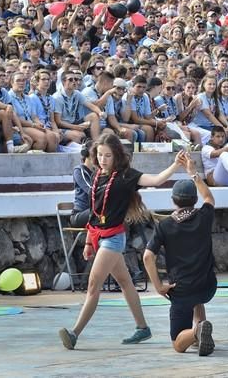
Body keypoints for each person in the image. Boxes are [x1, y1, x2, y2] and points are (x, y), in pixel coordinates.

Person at [58, 135, 188, 350]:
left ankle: (74, 333)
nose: (103, 159)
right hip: (100, 235)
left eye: (108, 155)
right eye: (100, 155)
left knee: (93, 285)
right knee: (125, 282)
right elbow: (96, 215)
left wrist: (175, 164)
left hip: (114, 238)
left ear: (117, 155)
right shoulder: (98, 176)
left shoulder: (127, 176)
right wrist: (90, 241)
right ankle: (142, 327)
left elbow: (155, 180)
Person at [143, 154, 217, 356]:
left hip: (182, 290)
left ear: (173, 200)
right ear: (194, 199)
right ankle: (201, 328)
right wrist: (193, 173)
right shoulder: (204, 216)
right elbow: (209, 197)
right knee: (197, 298)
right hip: (207, 286)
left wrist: (159, 287)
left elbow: (148, 257)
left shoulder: (164, 226)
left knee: (177, 343)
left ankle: (196, 332)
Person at [70, 141, 93, 228]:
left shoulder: (97, 172)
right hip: (79, 215)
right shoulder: (79, 170)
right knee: (102, 210)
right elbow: (90, 190)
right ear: (86, 153)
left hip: (92, 212)